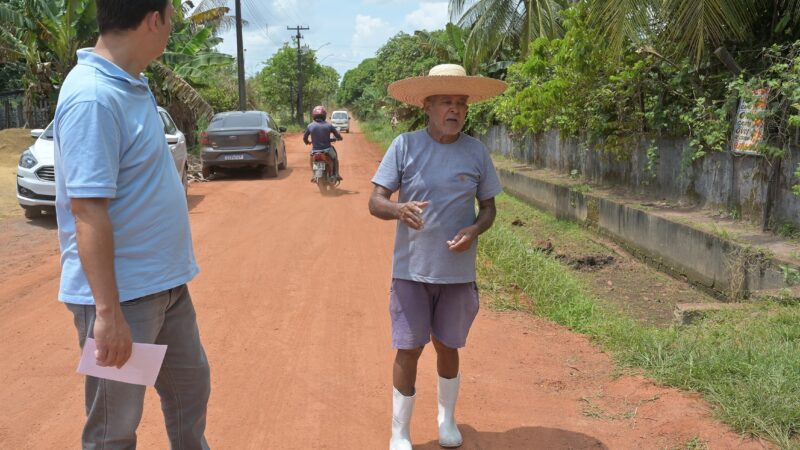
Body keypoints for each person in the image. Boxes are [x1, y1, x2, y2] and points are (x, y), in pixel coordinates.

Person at [53, 1, 211, 448]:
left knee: (189, 392)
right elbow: (87, 211)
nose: (171, 30)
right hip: (124, 301)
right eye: (171, 19)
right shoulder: (94, 97)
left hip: (165, 287)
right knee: (115, 428)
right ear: (153, 19)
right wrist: (108, 314)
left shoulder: (131, 84)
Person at [369, 64, 507, 449]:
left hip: (457, 273)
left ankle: (447, 419)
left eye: (461, 103)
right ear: (428, 106)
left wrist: (475, 229)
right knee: (409, 348)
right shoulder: (405, 146)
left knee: (449, 345)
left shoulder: (476, 152)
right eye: (446, 102)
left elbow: (489, 209)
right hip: (411, 271)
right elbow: (375, 201)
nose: (455, 110)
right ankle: (400, 432)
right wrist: (398, 210)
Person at [303, 105, 343, 182]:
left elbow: (304, 138)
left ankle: (314, 175)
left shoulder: (310, 126)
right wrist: (339, 138)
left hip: (315, 150)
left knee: (311, 159)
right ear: (324, 115)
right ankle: (337, 174)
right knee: (335, 158)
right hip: (327, 149)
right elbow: (337, 135)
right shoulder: (329, 125)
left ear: (313, 116)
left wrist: (307, 142)